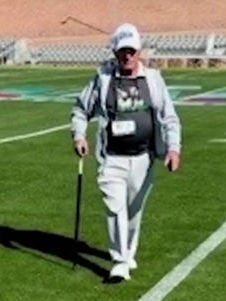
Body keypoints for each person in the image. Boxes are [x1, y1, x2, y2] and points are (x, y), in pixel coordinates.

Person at [70, 23, 183, 282]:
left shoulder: (153, 80)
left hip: (143, 158)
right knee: (114, 207)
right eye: (122, 51)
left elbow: (169, 117)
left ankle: (128, 252)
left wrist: (173, 149)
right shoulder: (103, 79)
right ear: (115, 52)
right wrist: (79, 135)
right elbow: (80, 109)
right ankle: (119, 260)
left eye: (131, 50)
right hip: (112, 158)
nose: (127, 56)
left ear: (139, 50)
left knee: (134, 211)